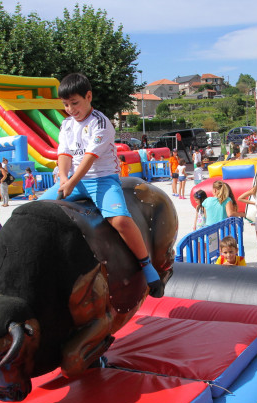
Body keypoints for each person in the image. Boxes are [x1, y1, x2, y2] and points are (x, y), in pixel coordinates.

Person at [36, 72, 164, 296]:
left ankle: (146, 265)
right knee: (36, 210)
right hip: (72, 180)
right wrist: (64, 179)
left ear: (88, 96)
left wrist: (71, 182)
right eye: (66, 104)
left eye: (74, 103)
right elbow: (64, 154)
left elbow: (89, 158)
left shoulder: (101, 123)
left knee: (121, 221)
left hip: (101, 179)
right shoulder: (66, 125)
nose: (70, 109)